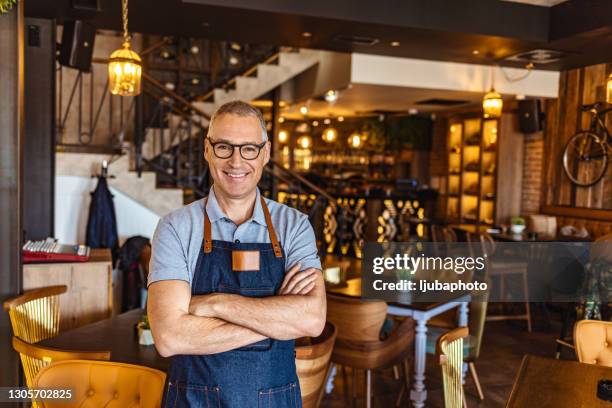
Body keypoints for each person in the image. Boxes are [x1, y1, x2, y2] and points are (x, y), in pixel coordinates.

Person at [147, 100, 326, 407]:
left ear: (265, 153)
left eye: (249, 149)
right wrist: (276, 321)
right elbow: (169, 337)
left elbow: (311, 320)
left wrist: (214, 304)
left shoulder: (294, 226)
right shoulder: (175, 228)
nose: (236, 161)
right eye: (224, 147)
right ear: (207, 150)